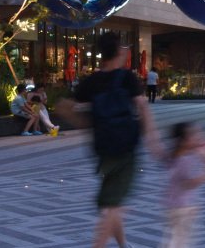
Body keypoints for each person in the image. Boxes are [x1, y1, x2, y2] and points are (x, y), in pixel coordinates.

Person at [62, 31, 161, 248]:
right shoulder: (126, 78)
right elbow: (143, 107)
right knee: (113, 206)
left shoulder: (92, 81)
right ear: (118, 52)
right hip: (126, 149)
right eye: (123, 47)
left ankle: (124, 245)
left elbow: (63, 106)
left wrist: (86, 123)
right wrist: (153, 140)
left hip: (103, 149)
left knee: (111, 202)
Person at [160, 121, 205, 248]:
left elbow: (202, 154)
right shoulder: (184, 160)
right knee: (179, 242)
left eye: (198, 132)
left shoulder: (182, 155)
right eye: (194, 134)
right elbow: (189, 184)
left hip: (177, 205)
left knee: (176, 239)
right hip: (183, 207)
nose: (199, 135)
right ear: (182, 141)